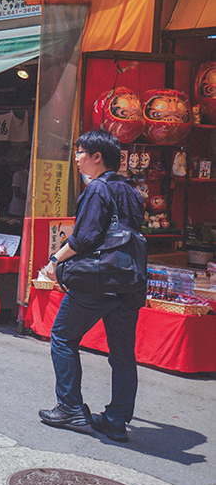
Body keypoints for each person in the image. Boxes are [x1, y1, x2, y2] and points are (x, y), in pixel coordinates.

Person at [40, 129, 145, 443]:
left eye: (80, 152)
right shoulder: (131, 190)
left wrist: (54, 260)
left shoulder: (98, 189)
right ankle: (116, 419)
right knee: (123, 354)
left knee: (62, 336)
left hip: (98, 282)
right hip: (129, 283)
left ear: (97, 157)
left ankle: (70, 406)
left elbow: (85, 238)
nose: (76, 158)